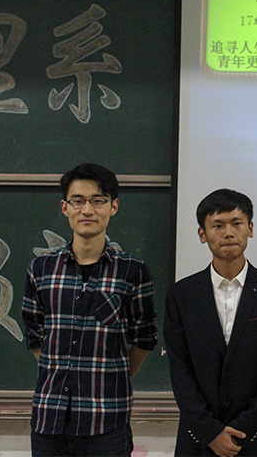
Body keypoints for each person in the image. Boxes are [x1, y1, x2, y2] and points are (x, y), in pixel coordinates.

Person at [22, 163, 157, 456]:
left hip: (107, 420)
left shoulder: (132, 271)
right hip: (49, 418)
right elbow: (34, 333)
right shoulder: (41, 269)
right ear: (65, 207)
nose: (87, 210)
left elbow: (144, 338)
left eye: (98, 201)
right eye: (78, 201)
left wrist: (112, 376)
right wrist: (59, 370)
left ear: (113, 206)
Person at [164, 189, 257, 456]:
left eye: (237, 223)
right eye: (218, 225)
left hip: (256, 438)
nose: (229, 233)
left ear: (250, 229)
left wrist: (244, 428)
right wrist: (210, 432)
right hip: (198, 440)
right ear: (202, 234)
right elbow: (179, 368)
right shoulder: (182, 295)